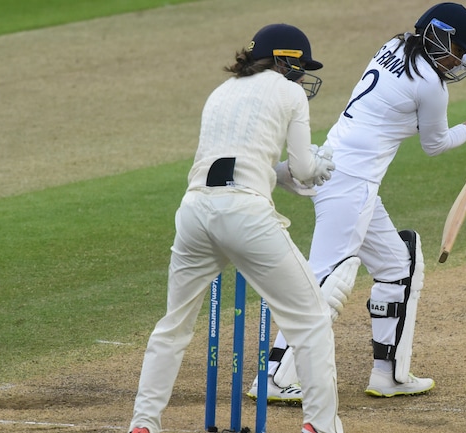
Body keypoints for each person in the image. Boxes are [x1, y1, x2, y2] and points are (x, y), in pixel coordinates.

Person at [248, 2, 466, 403]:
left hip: (339, 168)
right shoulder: (431, 86)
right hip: (349, 183)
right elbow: (436, 145)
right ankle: (274, 376)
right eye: (457, 50)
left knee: (396, 264)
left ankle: (389, 375)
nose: (460, 61)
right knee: (327, 277)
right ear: (440, 40)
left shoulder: (397, 44)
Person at [127, 23, 354, 433]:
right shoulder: (287, 92)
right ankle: (321, 426)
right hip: (246, 215)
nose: (302, 77)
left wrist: (284, 174)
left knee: (173, 325)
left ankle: (143, 425)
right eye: (299, 67)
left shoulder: (221, 92)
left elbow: (239, 161)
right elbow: (303, 169)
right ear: (284, 60)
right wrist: (314, 168)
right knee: (312, 320)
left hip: (195, 211)